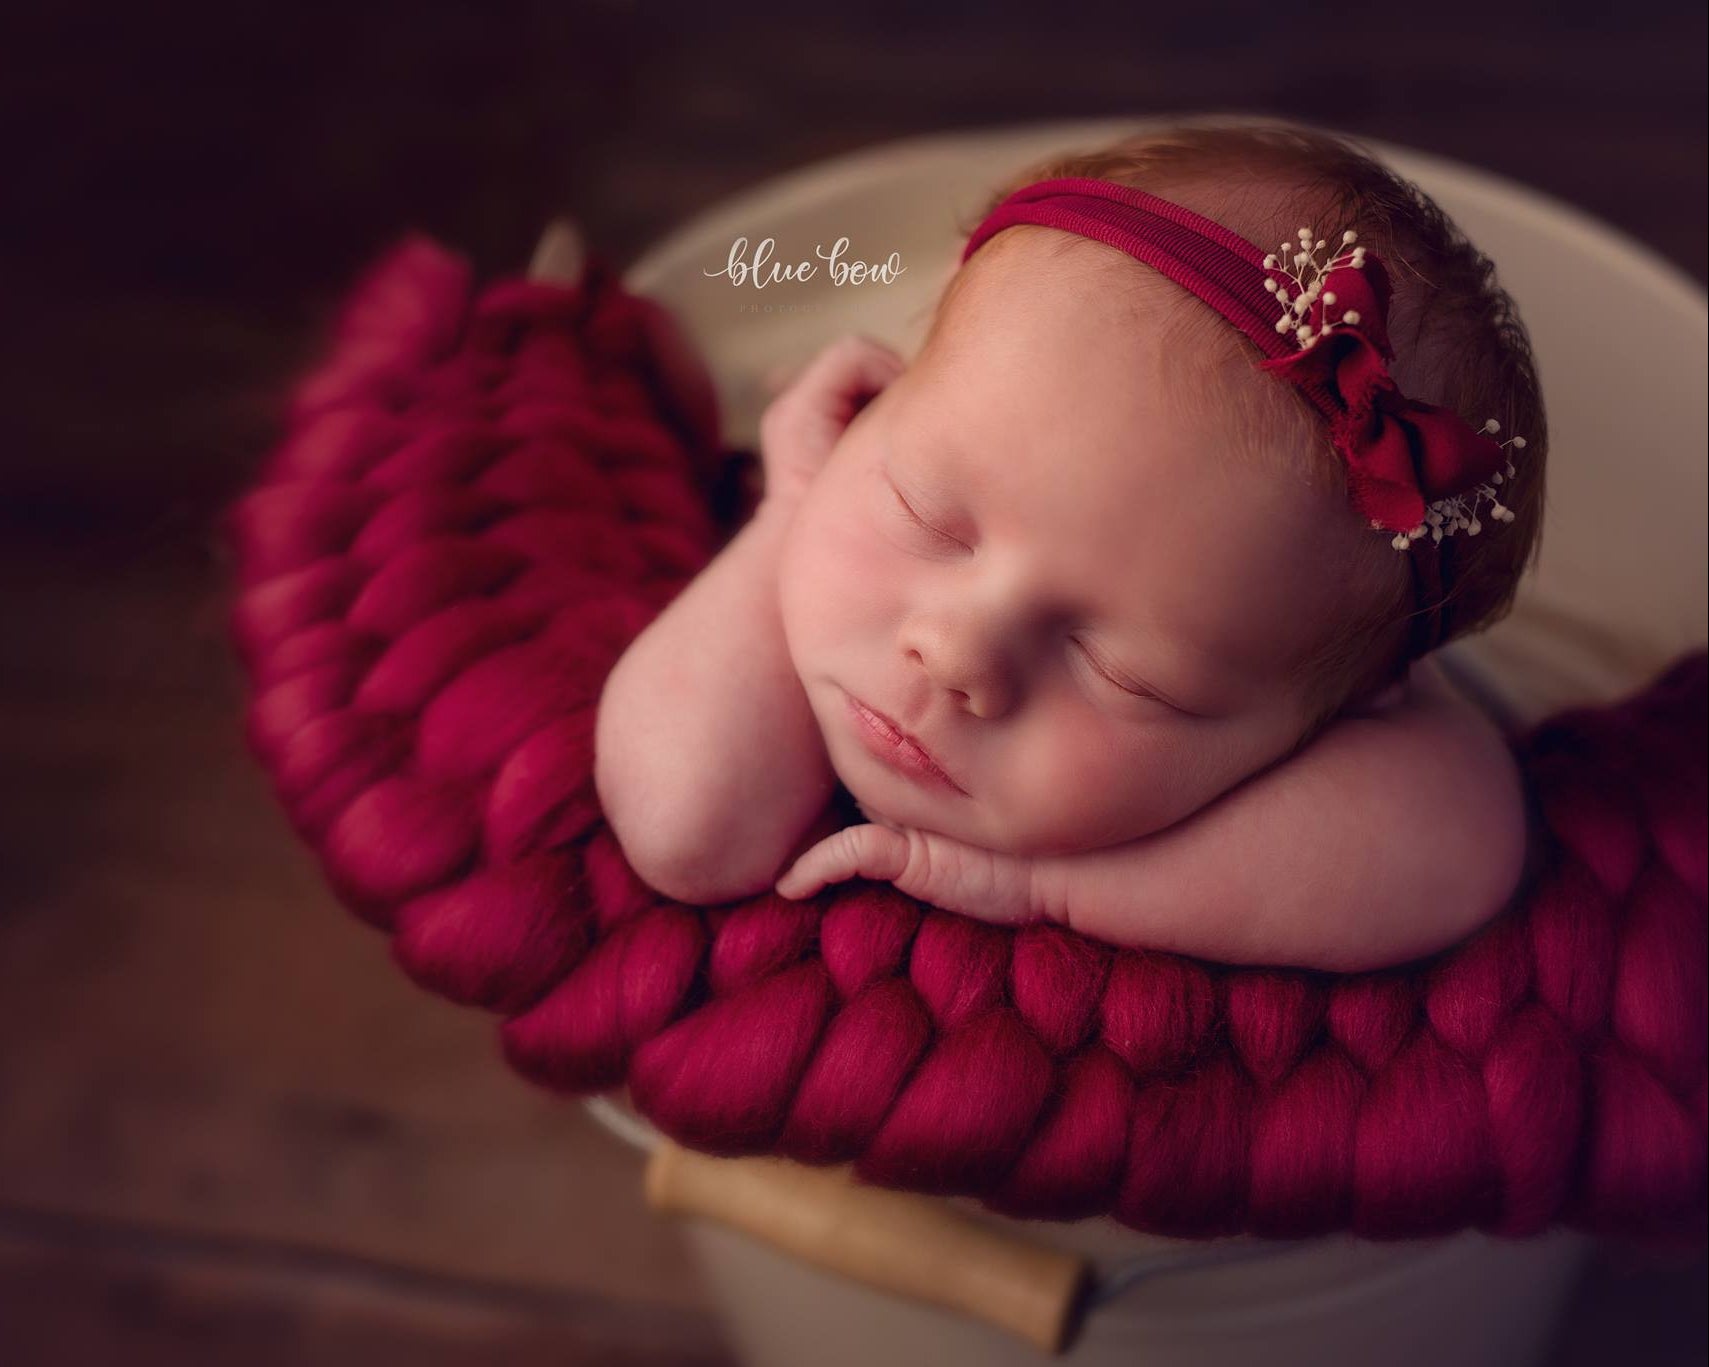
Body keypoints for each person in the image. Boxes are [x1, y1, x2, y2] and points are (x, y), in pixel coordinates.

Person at [594, 121, 1546, 972]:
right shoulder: (820, 498)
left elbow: (1462, 844)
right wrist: (789, 508)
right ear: (872, 406)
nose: (956, 652)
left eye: (1121, 673)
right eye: (922, 513)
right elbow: (688, 827)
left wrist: (1051, 891)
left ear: (1335, 718)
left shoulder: (1345, 711)